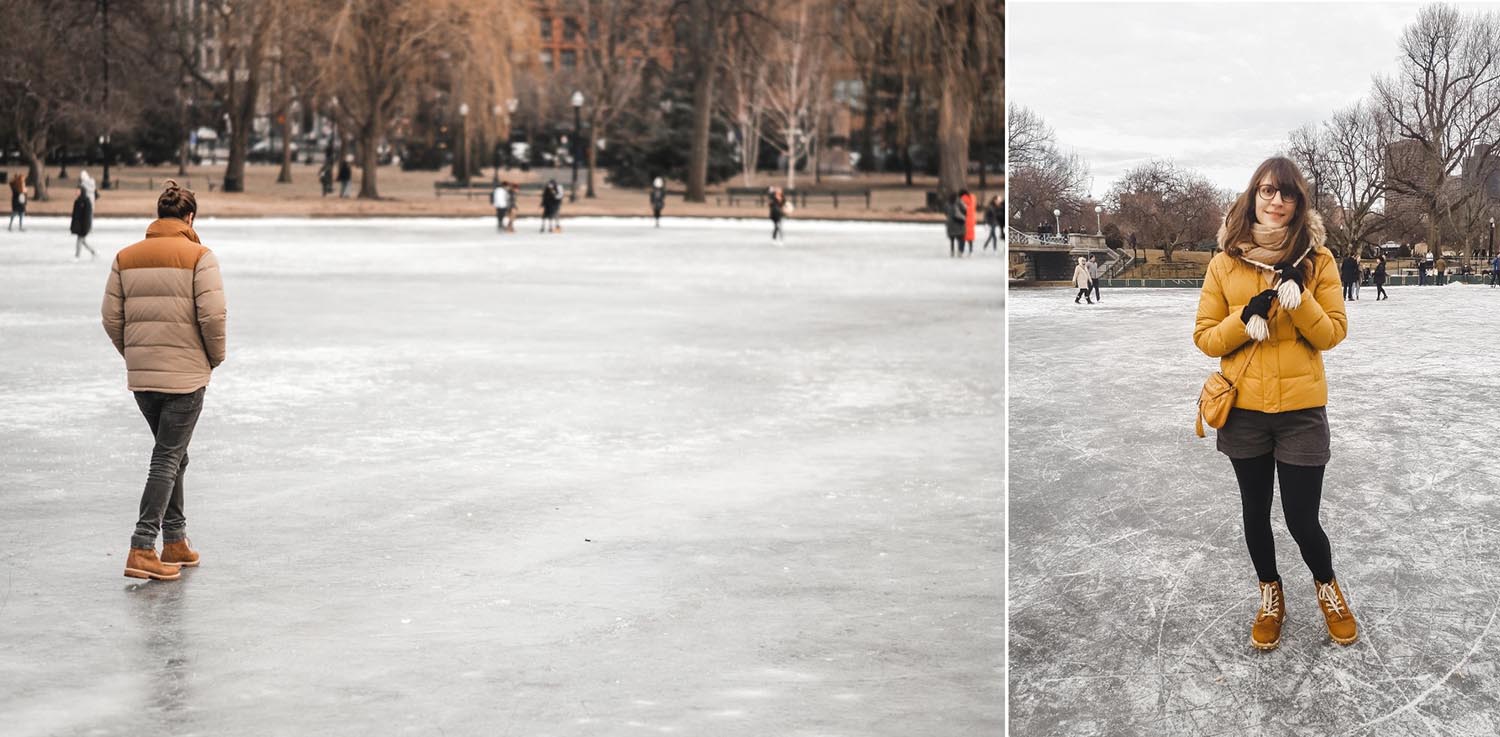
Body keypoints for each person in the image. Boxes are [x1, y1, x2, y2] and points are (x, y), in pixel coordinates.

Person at [1193, 156, 1356, 652]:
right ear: (1252, 196)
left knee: (1303, 518)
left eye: (1286, 193)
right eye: (1267, 190)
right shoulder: (1224, 262)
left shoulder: (1318, 260)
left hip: (1301, 411)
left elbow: (1332, 333)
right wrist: (1246, 317)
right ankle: (1270, 592)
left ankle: (1326, 585)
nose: (1276, 200)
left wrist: (1297, 294)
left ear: (1298, 201)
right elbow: (1205, 338)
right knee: (1255, 512)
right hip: (1243, 410)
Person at [101, 180, 226, 581]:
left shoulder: (126, 257)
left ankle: (175, 540)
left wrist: (136, 355)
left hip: (144, 377)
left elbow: (111, 318)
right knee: (167, 458)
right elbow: (213, 317)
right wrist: (214, 357)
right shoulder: (200, 256)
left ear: (159, 215)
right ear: (190, 217)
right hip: (185, 378)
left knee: (174, 455)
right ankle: (142, 546)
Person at [70, 183, 96, 259]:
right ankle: (93, 252)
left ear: (82, 191)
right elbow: (74, 216)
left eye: (78, 191)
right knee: (83, 241)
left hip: (84, 226)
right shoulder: (77, 202)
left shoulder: (86, 202)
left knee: (79, 240)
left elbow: (87, 216)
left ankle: (77, 256)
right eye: (76, 191)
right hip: (79, 226)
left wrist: (86, 227)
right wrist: (73, 227)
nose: (76, 192)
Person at [946, 193, 965, 257]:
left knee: (952, 240)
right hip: (957, 225)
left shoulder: (947, 204)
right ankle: (960, 252)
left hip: (950, 224)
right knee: (960, 239)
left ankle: (952, 251)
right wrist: (964, 218)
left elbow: (946, 213)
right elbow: (962, 212)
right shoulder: (957, 204)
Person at [960, 189, 977, 255]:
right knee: (970, 238)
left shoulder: (963, 199)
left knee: (963, 237)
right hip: (972, 220)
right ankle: (971, 250)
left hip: (965, 220)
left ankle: (961, 251)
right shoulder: (973, 198)